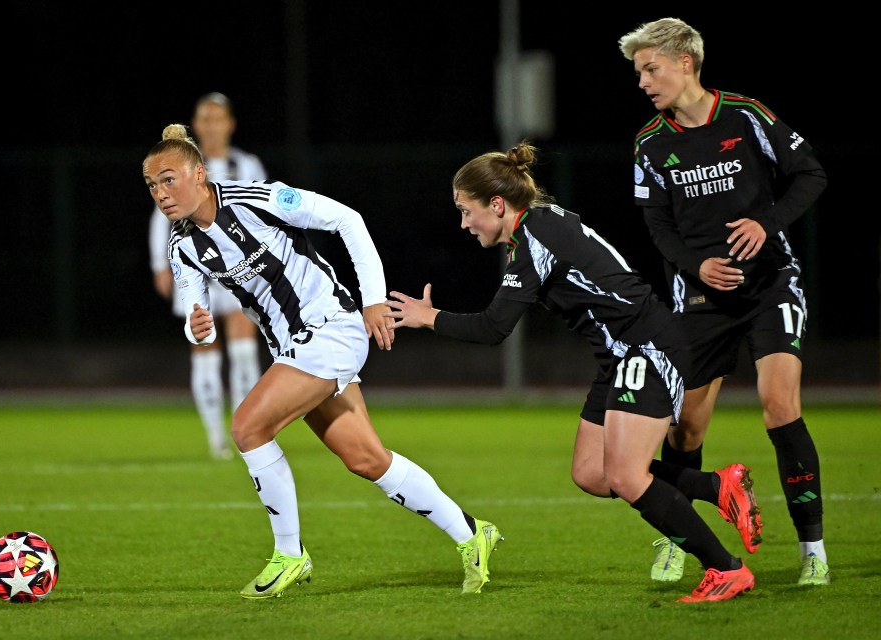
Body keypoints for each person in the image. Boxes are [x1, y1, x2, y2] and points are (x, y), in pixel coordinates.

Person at [385, 141, 761, 603]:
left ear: (497, 204)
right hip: (620, 355)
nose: (464, 224)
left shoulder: (531, 241)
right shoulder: (542, 221)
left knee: (625, 476)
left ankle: (725, 569)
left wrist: (431, 318)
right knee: (591, 473)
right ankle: (717, 485)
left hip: (646, 347)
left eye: (467, 211)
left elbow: (493, 328)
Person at [142, 123, 502, 598]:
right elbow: (192, 314)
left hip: (331, 327)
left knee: (248, 426)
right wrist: (197, 326)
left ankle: (289, 555)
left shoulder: (259, 197)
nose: (161, 194)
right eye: (151, 185)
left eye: (169, 179)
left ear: (199, 173)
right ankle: (472, 534)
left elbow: (348, 220)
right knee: (366, 458)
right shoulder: (182, 244)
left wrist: (373, 298)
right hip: (294, 349)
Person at [618, 18, 830, 586]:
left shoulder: (745, 114)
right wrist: (696, 266)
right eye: (638, 72)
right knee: (684, 427)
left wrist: (767, 222)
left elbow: (810, 174)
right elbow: (657, 226)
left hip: (770, 285)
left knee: (779, 404)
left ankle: (813, 549)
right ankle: (678, 540)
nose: (642, 82)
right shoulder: (650, 143)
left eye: (650, 69)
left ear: (684, 61)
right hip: (701, 296)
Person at [148, 92, 266, 460]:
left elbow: (259, 209)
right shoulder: (182, 161)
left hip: (238, 268)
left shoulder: (245, 164)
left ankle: (245, 428)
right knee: (205, 348)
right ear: (196, 125)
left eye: (219, 118)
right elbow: (161, 213)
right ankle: (216, 436)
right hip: (195, 267)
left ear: (229, 123)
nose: (212, 125)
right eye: (205, 119)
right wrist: (160, 263)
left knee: (244, 350)